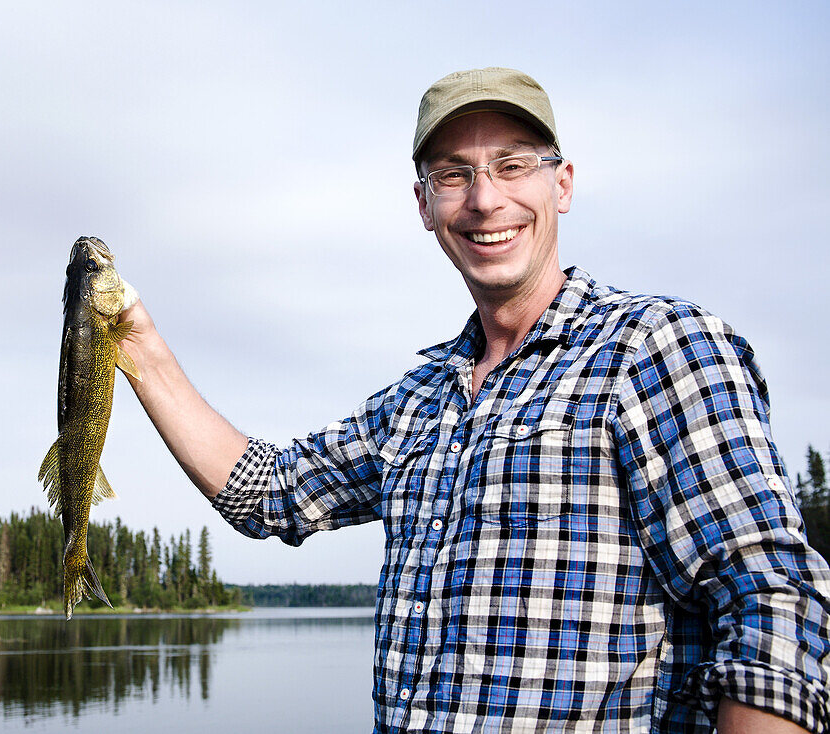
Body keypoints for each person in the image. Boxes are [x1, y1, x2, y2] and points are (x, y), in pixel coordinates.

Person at [118, 68, 830, 732]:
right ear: (425, 205)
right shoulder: (416, 404)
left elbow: (770, 599)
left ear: (564, 185)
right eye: (453, 175)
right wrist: (137, 349)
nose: (486, 198)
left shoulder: (654, 348)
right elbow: (267, 491)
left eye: (514, 165)